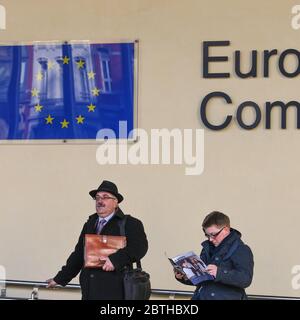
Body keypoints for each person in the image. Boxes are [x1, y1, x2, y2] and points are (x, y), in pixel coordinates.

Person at [46, 180, 148, 300]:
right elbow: (79, 254)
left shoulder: (130, 223)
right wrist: (59, 278)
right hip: (89, 291)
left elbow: (140, 247)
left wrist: (115, 260)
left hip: (115, 292)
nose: (100, 201)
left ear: (116, 202)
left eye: (105, 197)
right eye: (97, 197)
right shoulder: (90, 223)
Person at [174, 211, 254, 300]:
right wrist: (184, 277)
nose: (210, 239)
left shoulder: (241, 249)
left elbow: (245, 279)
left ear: (226, 230)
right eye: (207, 235)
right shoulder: (207, 248)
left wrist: (219, 273)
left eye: (213, 235)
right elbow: (202, 279)